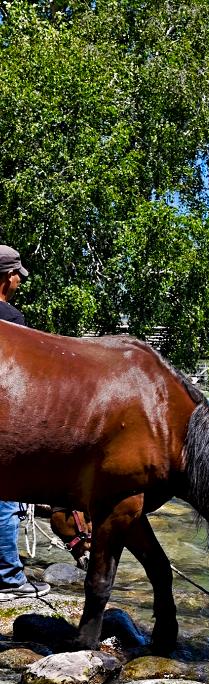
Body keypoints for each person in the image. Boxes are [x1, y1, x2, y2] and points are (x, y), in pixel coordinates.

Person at [0, 244, 50, 600]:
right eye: (18, 274)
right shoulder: (12, 320)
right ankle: (9, 578)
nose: (20, 280)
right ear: (7, 277)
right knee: (4, 499)